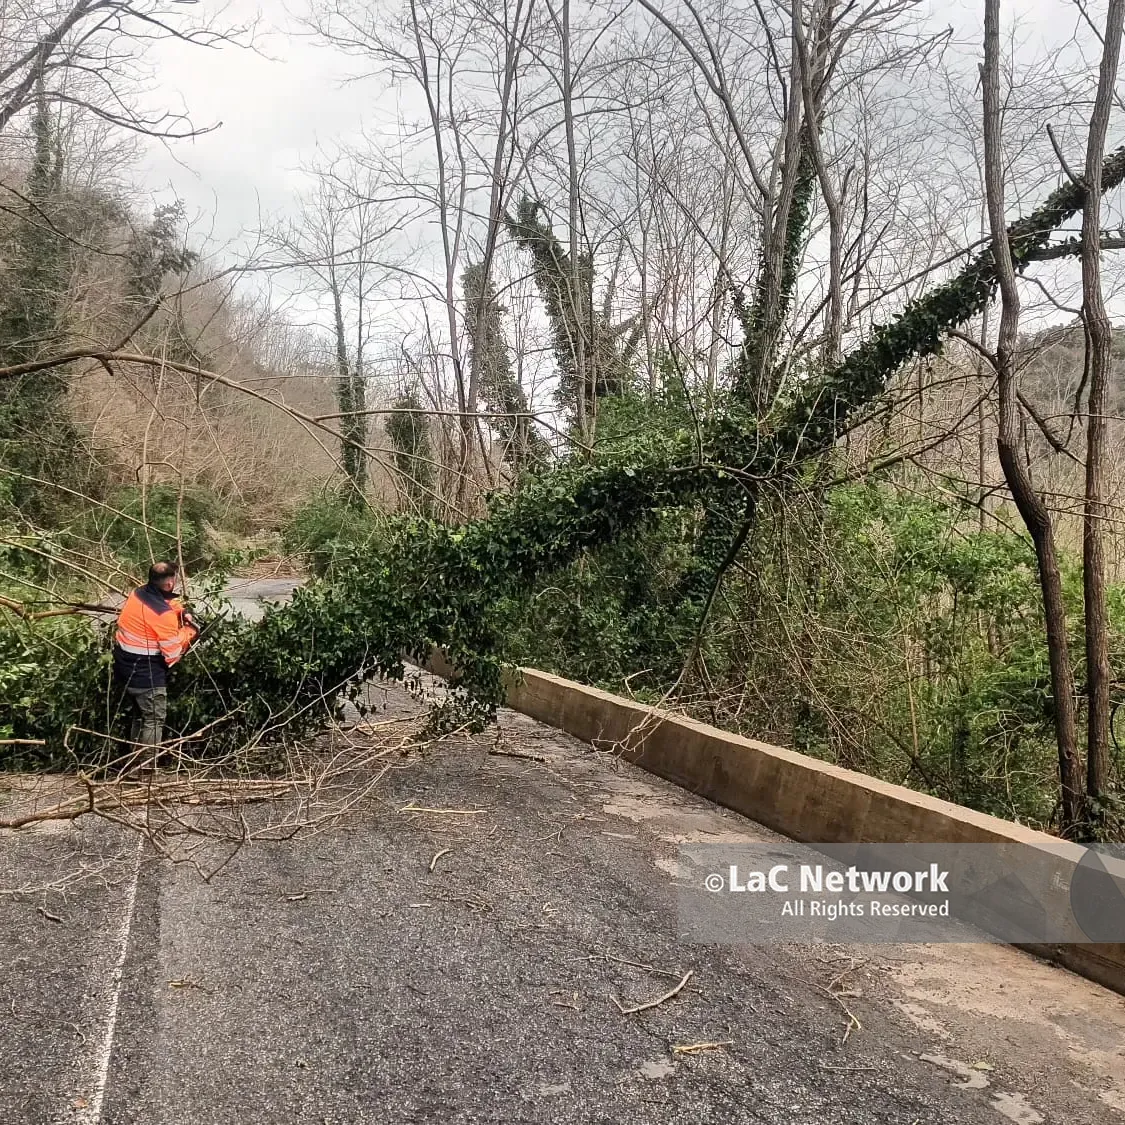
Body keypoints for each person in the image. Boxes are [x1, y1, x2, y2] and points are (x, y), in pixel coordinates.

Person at [113, 561, 199, 756]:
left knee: (139, 718)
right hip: (146, 674)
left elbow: (164, 603)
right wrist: (189, 632)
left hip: (124, 668)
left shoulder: (137, 593)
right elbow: (172, 654)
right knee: (153, 720)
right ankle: (146, 770)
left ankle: (132, 763)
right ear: (169, 583)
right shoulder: (164, 616)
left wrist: (181, 611)